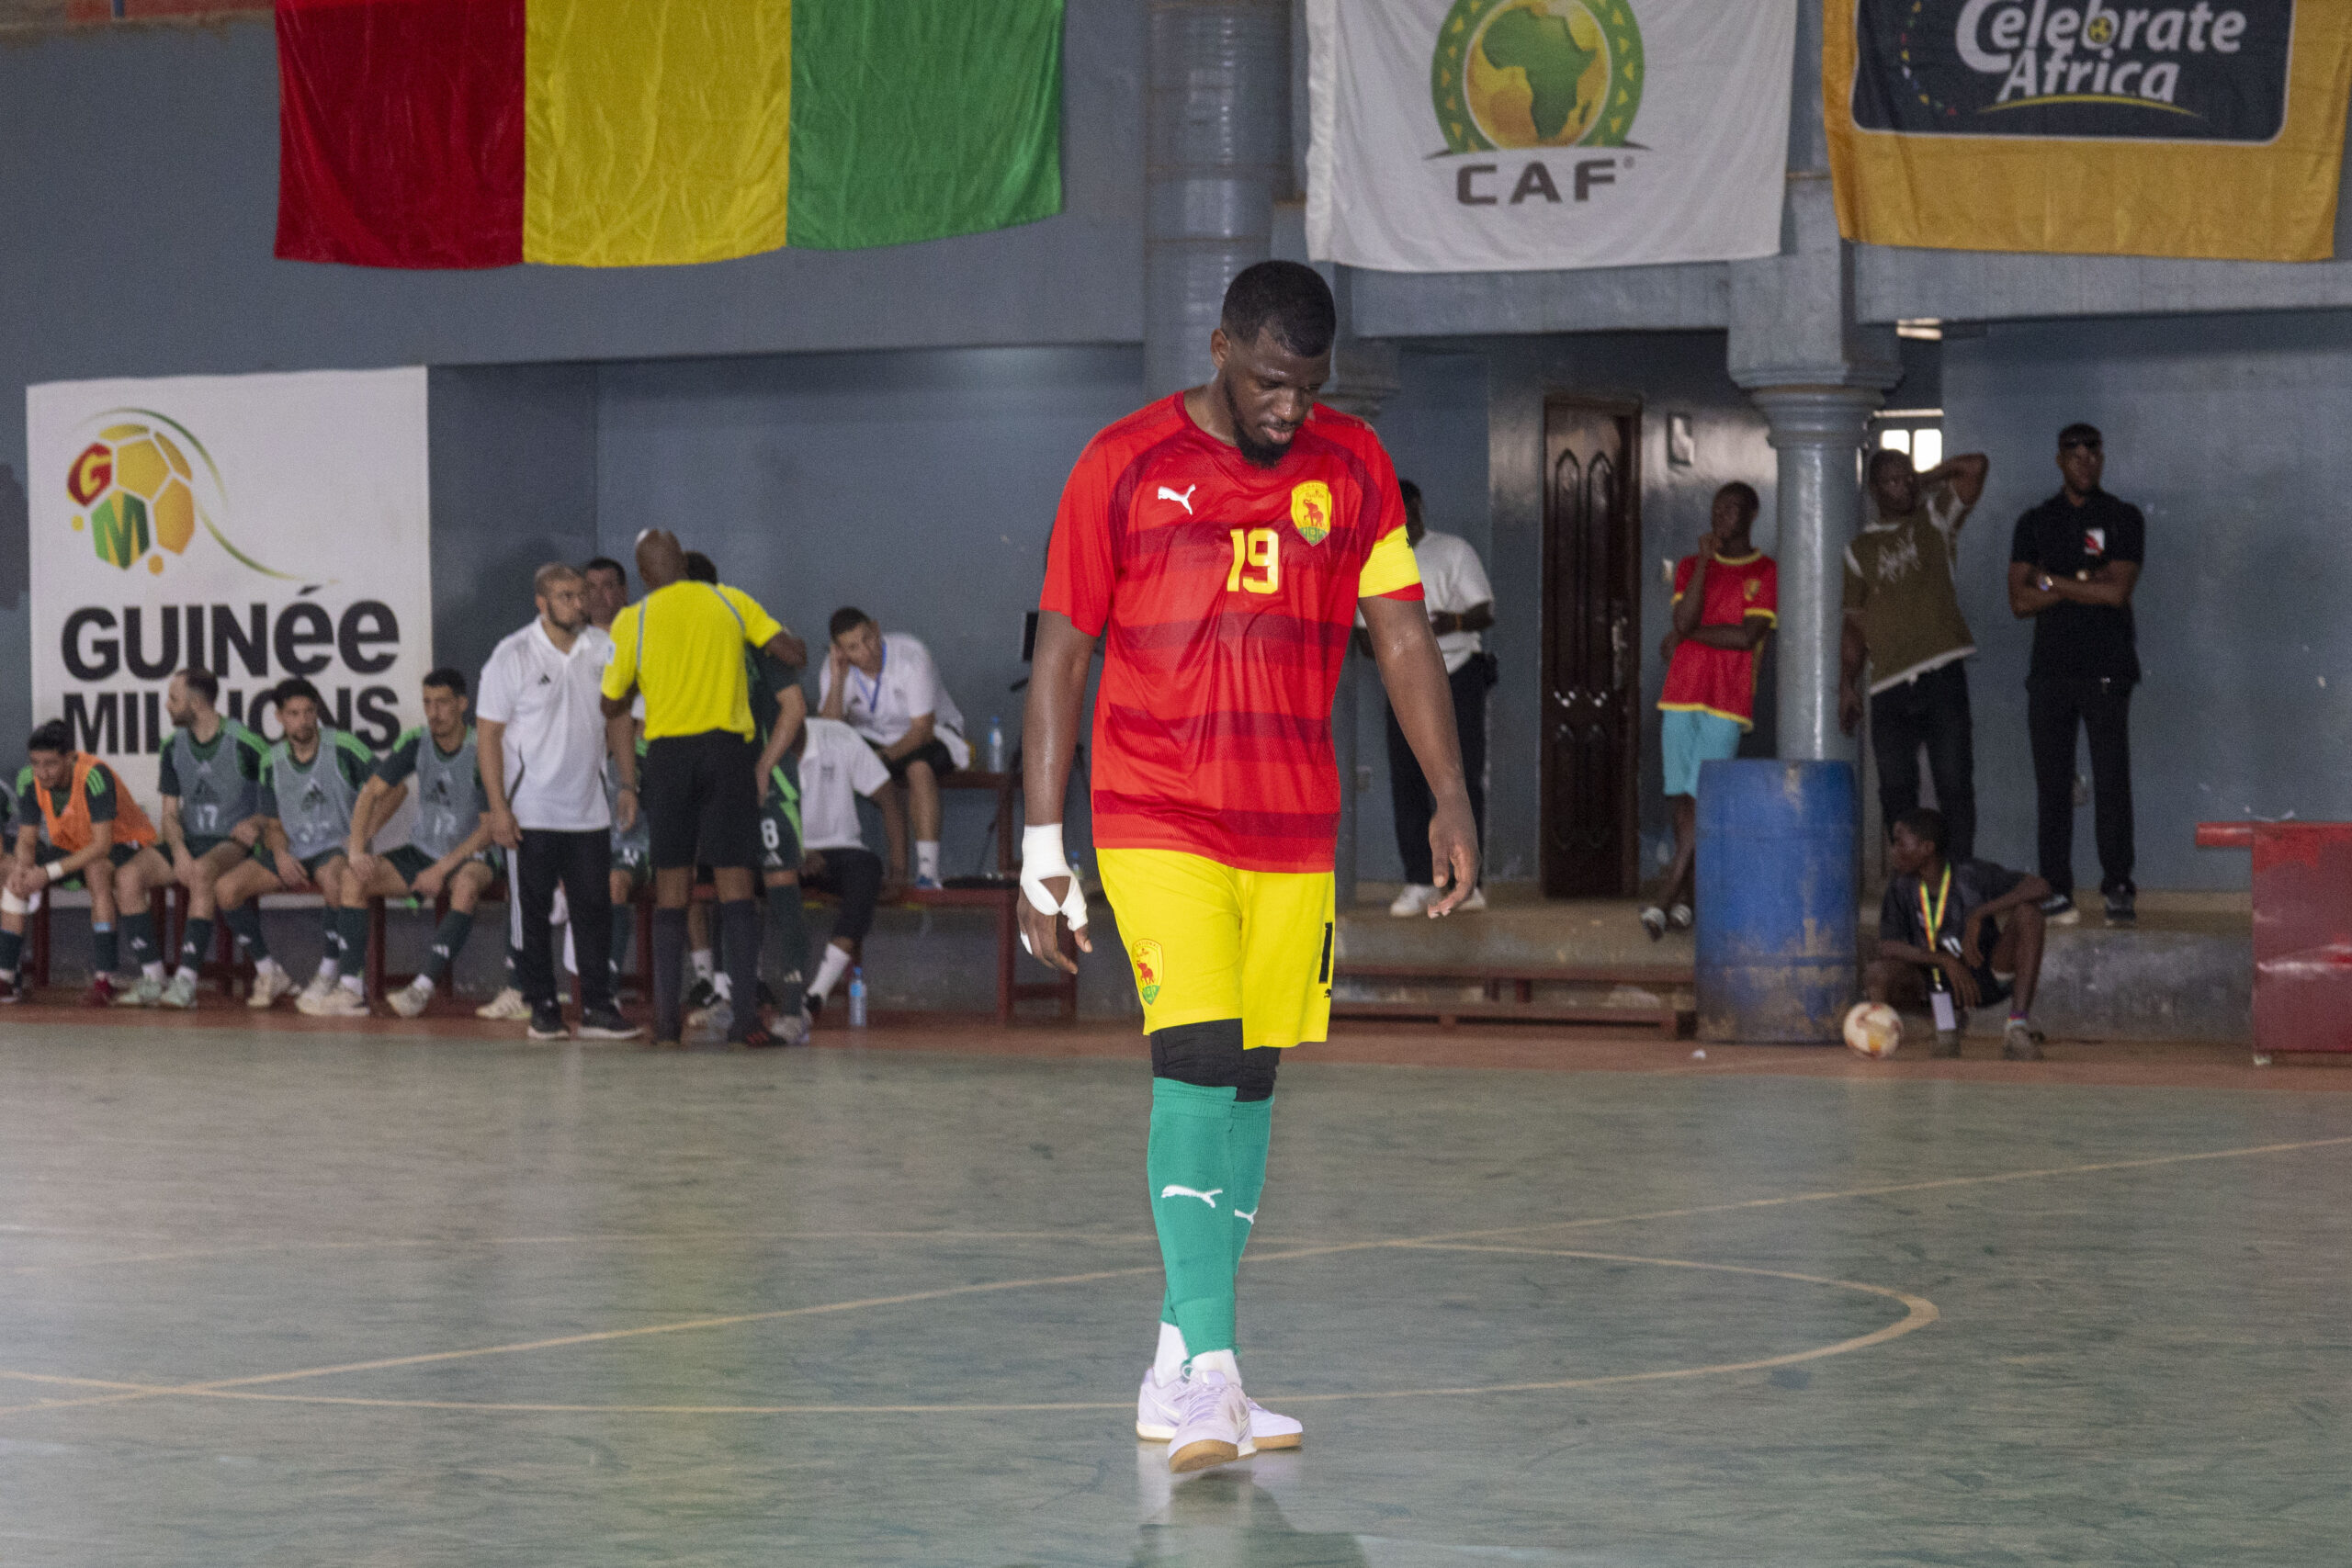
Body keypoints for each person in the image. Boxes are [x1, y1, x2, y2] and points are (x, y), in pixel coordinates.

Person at [1019, 260, 1477, 1473]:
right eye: (1272, 381)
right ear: (1220, 348)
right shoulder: (1122, 462)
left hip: (1290, 824)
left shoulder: (1353, 464)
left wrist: (1449, 792)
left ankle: (1175, 1361)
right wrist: (1041, 847)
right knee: (1198, 1059)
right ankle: (1216, 1372)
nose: (1289, 407)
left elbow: (1401, 635)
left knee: (1254, 1079)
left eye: (1308, 386)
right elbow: (1062, 653)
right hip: (1155, 810)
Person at [601, 531, 806, 1047]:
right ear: (683, 563)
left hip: (668, 758)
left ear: (643, 576)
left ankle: (667, 1024)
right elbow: (791, 653)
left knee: (672, 887)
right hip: (727, 754)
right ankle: (745, 1021)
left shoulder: (633, 619)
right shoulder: (730, 601)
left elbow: (610, 701)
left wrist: (644, 677)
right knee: (736, 885)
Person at [478, 563, 640, 1043]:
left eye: (581, 594)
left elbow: (619, 720)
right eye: (566, 596)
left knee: (594, 910)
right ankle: (543, 1008)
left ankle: (597, 1008)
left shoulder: (605, 649)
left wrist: (627, 783)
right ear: (542, 603)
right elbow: (488, 735)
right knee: (532, 914)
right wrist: (498, 808)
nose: (578, 603)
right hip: (530, 810)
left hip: (589, 810)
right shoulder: (512, 654)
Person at [2007, 423, 2145, 926]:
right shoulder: (2035, 521)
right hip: (2050, 672)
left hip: (2108, 668)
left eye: (2093, 454)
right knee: (2053, 785)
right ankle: (2055, 889)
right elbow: (2020, 600)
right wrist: (2086, 579)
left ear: (2101, 459)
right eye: (2074, 454)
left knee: (2112, 781)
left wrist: (2051, 580)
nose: (2084, 462)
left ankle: (2118, 887)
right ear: (2059, 460)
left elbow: (2117, 591)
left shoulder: (2123, 517)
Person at [1840, 446, 1993, 863]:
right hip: (1888, 685)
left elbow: (1975, 466)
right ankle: (1908, 881)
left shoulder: (1934, 519)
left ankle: (1958, 877)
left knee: (1954, 782)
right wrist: (1847, 684)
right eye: (1892, 480)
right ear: (1874, 490)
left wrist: (1922, 479)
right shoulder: (1858, 550)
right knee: (1895, 789)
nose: (1904, 486)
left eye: (1907, 476)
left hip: (1942, 673)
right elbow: (1853, 623)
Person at [1643, 482, 1776, 940]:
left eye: (1732, 509)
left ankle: (1667, 895)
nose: (1721, 517)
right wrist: (1704, 562)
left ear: (1752, 514)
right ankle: (1688, 900)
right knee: (1679, 797)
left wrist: (1687, 636)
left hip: (1728, 699)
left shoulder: (1765, 570)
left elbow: (1746, 637)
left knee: (1704, 798)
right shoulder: (1689, 566)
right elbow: (1683, 619)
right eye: (1717, 509)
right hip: (1681, 693)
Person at [336, 669, 501, 1019]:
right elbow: (370, 792)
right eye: (427, 703)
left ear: (462, 704)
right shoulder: (416, 740)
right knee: (352, 877)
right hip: (423, 850)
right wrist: (356, 849)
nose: (433, 712)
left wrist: (441, 869)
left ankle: (421, 988)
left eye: (442, 703)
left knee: (466, 886)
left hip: (472, 853)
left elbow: (489, 829)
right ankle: (349, 989)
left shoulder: (481, 748)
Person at [210, 680, 376, 1013]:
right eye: (294, 714)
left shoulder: (344, 746)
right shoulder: (270, 761)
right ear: (279, 717)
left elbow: (388, 788)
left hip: (334, 847)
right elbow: (273, 824)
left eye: (309, 712)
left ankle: (328, 972)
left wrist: (361, 836)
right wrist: (280, 854)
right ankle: (269, 971)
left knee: (336, 882)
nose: (303, 721)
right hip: (293, 849)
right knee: (226, 889)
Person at [1377, 479, 1495, 918]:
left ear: (1419, 506)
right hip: (1403, 683)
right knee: (1406, 779)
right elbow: (1365, 635)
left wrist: (1453, 622)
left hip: (1458, 675)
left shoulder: (1453, 551)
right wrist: (1399, 640)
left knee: (1460, 779)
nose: (1403, 518)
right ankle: (1417, 880)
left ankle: (1470, 882)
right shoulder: (1379, 557)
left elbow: (1485, 610)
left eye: (1407, 508)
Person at [0, 720, 172, 1007]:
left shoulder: (94, 774)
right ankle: (5, 979)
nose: (42, 772)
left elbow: (102, 845)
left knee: (96, 870)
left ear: (69, 757)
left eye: (50, 764)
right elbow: (27, 840)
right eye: (36, 763)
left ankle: (104, 980)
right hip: (71, 846)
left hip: (123, 843)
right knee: (10, 873)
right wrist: (22, 869)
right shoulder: (28, 780)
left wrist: (48, 872)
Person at [1868, 807, 2051, 1060]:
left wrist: (1979, 913)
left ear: (1927, 848)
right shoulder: (1900, 885)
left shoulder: (1970, 874)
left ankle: (2016, 1028)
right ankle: (1939, 1023)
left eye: (1900, 843)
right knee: (1878, 973)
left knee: (2029, 914)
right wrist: (1943, 959)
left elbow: (2041, 887)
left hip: (1986, 975)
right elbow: (1887, 946)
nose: (1893, 850)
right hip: (1936, 985)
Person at [820, 608, 968, 888]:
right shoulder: (834, 666)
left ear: (877, 629)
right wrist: (838, 680)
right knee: (829, 764)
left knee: (918, 768)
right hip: (872, 738)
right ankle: (833, 867)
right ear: (840, 651)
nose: (866, 651)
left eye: (868, 638)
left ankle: (927, 873)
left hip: (932, 733)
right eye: (853, 647)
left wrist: (880, 759)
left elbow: (922, 730)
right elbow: (828, 730)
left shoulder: (911, 656)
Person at [152, 667, 268, 1009]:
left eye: (173, 699)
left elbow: (277, 804)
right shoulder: (172, 746)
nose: (167, 705)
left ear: (196, 703)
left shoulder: (247, 743)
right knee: (129, 876)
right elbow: (169, 813)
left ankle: (186, 981)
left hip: (232, 843)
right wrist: (178, 851)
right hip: (190, 842)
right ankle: (152, 977)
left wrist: (255, 822)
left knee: (203, 872)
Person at [796, 716, 891, 1019]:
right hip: (782, 850)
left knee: (867, 871)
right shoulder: (756, 744)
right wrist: (797, 853)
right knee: (733, 874)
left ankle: (817, 993)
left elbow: (888, 795)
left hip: (840, 851)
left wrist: (901, 871)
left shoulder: (837, 736)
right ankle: (736, 990)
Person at [582, 556, 629, 633]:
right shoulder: (571, 636)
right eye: (591, 587)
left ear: (623, 592)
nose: (598, 595)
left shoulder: (643, 631)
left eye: (607, 586)